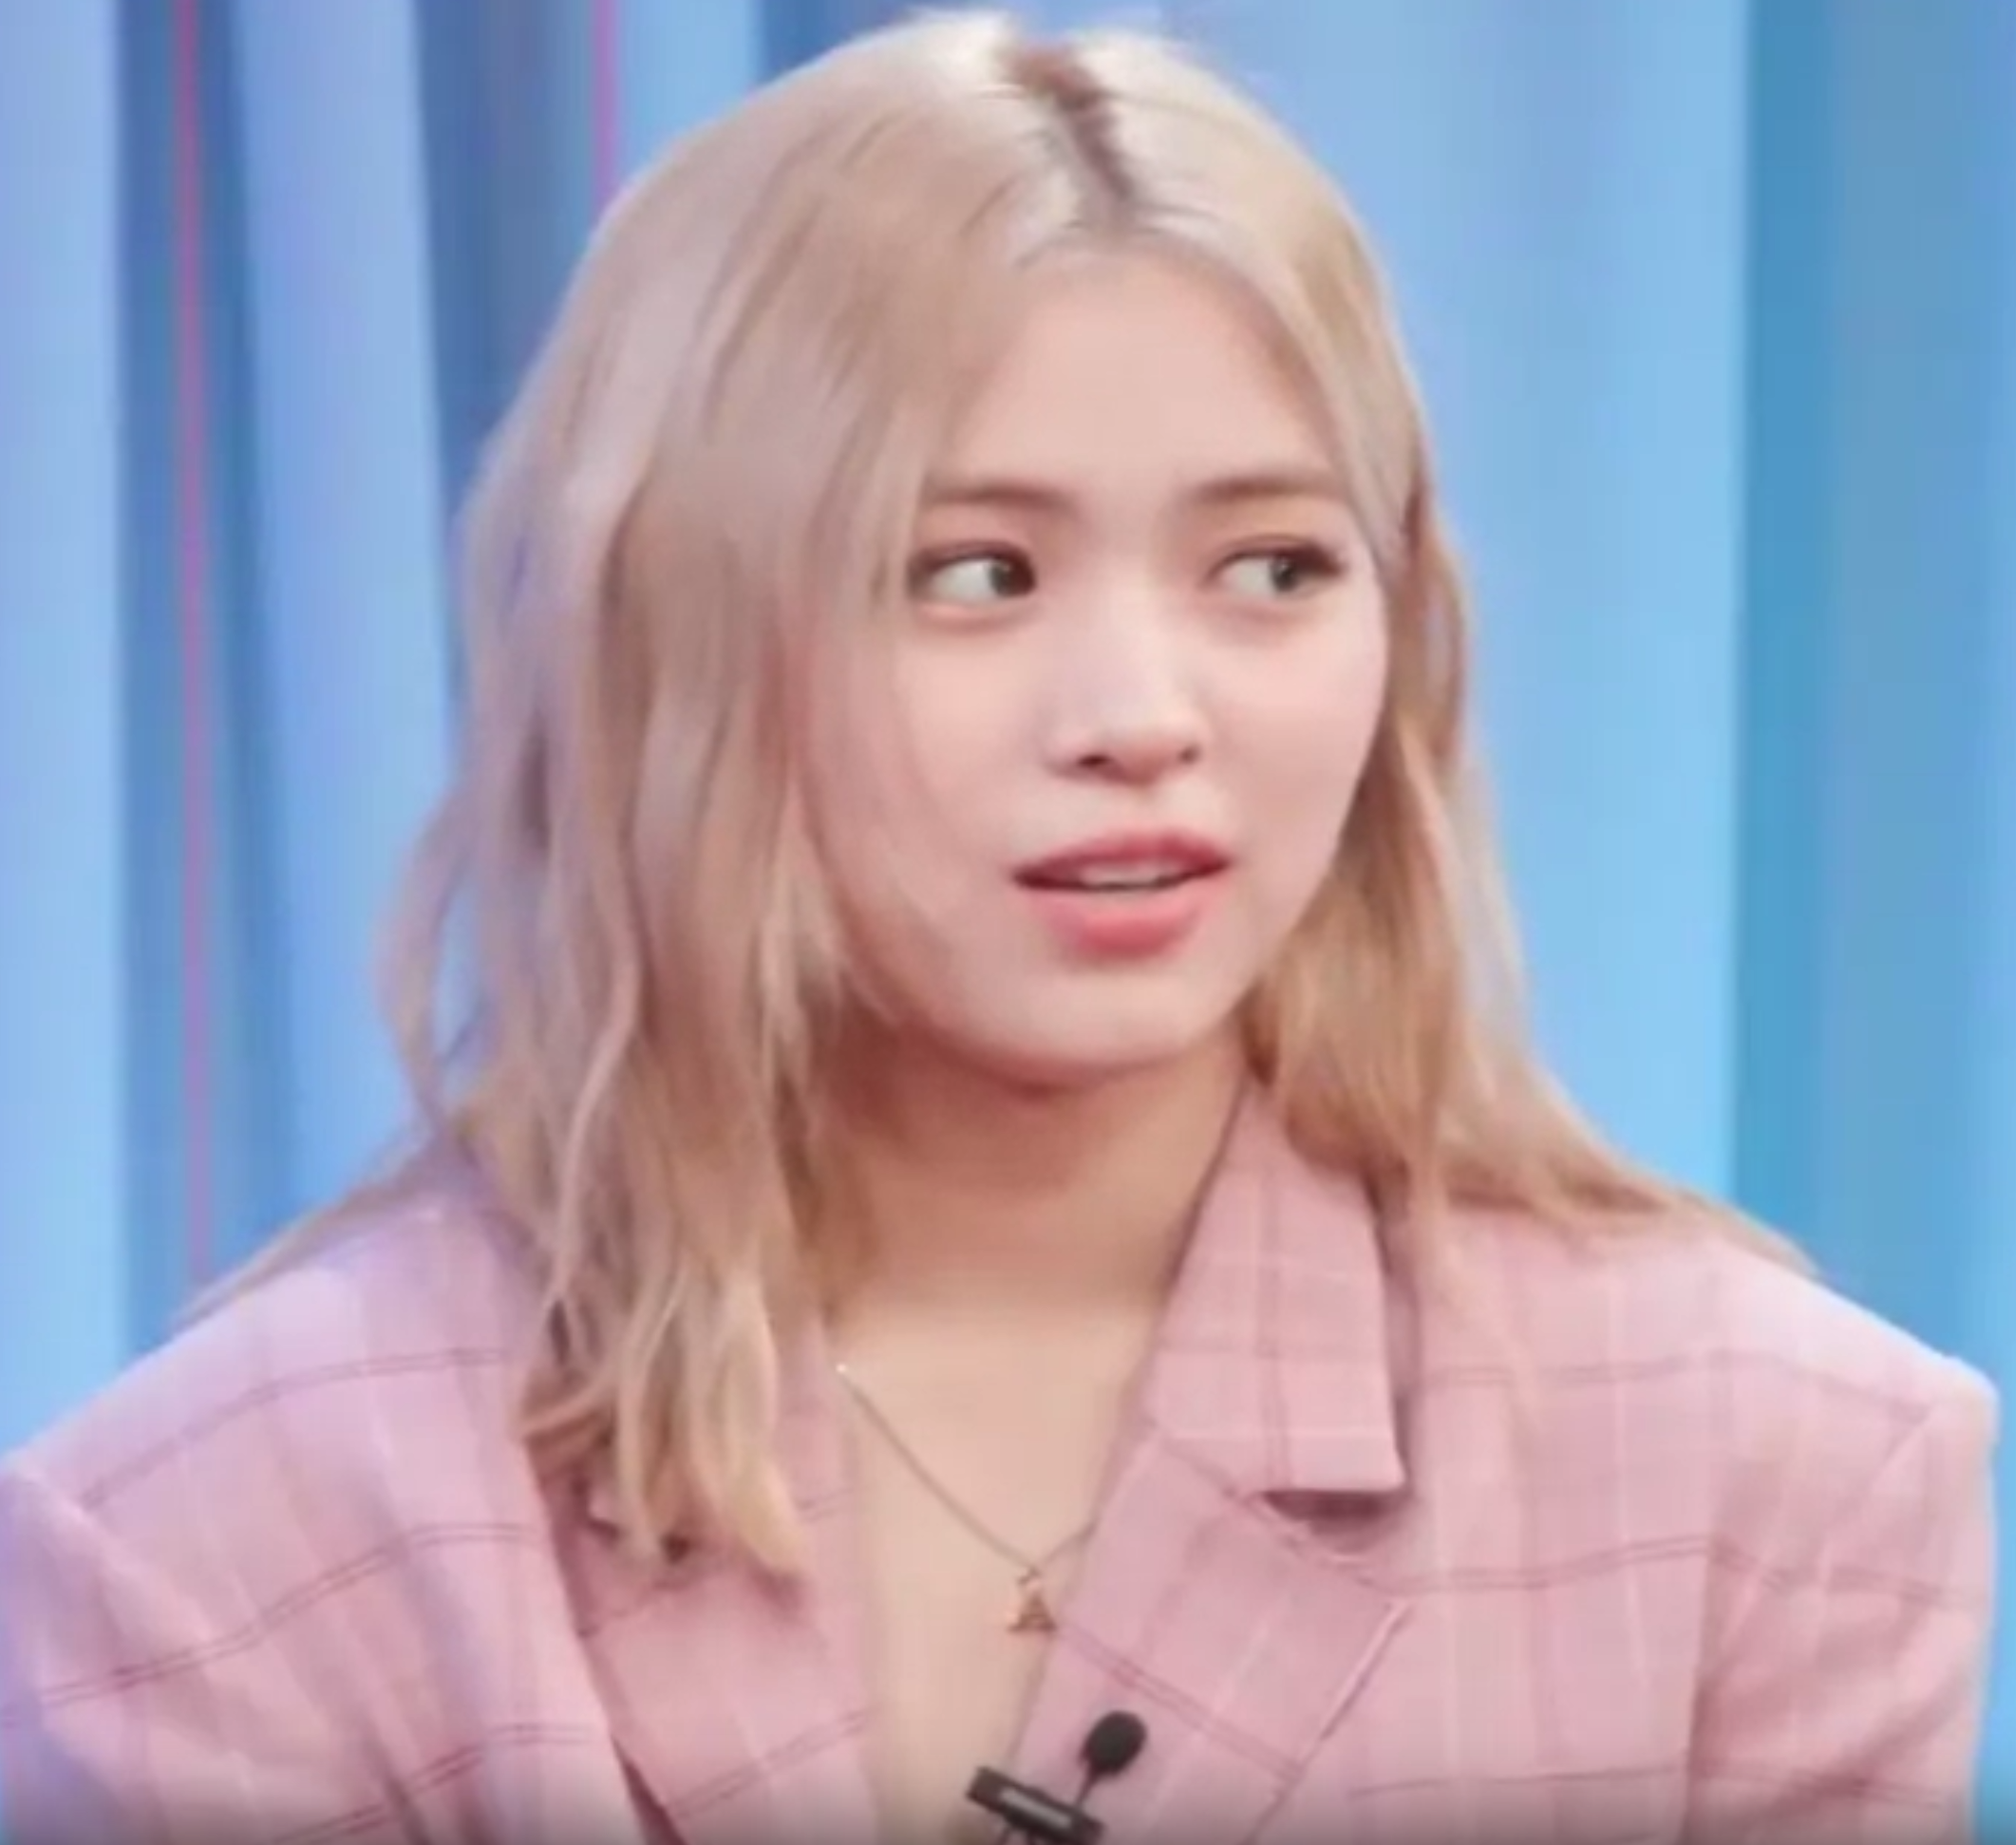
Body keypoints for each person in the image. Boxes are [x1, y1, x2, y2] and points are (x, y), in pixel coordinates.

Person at [0, 10, 1997, 1845]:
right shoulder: (222, 1539)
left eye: (1270, 566)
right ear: (677, 644)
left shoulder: (1776, 1475)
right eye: (972, 573)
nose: (1141, 714)